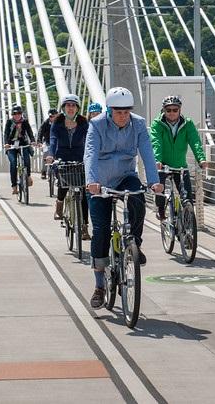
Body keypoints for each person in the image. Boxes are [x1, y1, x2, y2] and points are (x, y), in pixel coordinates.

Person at [85, 87, 163, 309]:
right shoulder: (96, 125)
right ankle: (99, 285)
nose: (123, 116)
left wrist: (154, 181)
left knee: (138, 201)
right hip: (99, 181)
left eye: (126, 111)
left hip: (125, 176)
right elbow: (90, 154)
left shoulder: (137, 124)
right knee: (100, 230)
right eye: (118, 112)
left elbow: (147, 153)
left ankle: (134, 246)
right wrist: (91, 181)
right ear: (109, 110)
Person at [150, 95, 207, 221]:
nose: (171, 113)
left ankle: (187, 224)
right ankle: (160, 210)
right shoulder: (157, 124)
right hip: (163, 164)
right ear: (163, 111)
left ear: (180, 110)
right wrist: (157, 160)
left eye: (175, 110)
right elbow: (156, 143)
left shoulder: (188, 124)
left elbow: (195, 142)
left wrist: (201, 159)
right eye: (168, 110)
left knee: (186, 196)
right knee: (160, 187)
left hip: (180, 165)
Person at [46, 94, 90, 239]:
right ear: (63, 107)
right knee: (64, 185)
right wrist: (51, 155)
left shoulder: (84, 122)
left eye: (73, 105)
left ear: (77, 108)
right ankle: (59, 205)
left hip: (79, 157)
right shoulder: (57, 123)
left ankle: (84, 227)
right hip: (62, 156)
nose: (70, 108)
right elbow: (53, 141)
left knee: (83, 193)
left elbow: (90, 141)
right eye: (68, 105)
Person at [3, 105, 36, 195]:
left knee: (26, 159)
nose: (17, 115)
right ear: (12, 115)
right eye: (14, 114)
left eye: (19, 113)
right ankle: (14, 186)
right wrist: (6, 143)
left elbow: (29, 132)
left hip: (23, 144)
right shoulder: (9, 122)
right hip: (11, 145)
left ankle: (28, 176)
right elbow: (6, 133)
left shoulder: (24, 121)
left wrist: (32, 141)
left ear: (21, 114)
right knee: (13, 163)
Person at [37, 108, 59, 179]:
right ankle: (43, 172)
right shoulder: (46, 123)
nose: (52, 118)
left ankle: (58, 172)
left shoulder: (61, 122)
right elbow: (40, 132)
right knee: (46, 153)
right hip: (47, 142)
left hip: (58, 142)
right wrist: (39, 141)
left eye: (54, 116)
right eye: (51, 116)